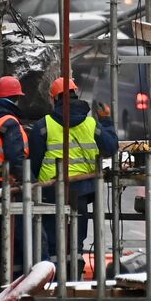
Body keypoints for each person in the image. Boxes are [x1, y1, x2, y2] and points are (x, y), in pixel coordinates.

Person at [29, 76, 118, 275]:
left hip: (51, 190)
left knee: (53, 237)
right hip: (82, 190)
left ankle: (54, 279)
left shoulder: (43, 125)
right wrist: (106, 120)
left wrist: (34, 186)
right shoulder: (90, 124)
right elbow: (111, 147)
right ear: (75, 94)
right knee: (76, 237)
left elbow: (34, 162)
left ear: (54, 99)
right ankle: (73, 278)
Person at [0, 75, 30, 275]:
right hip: (11, 185)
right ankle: (23, 280)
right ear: (15, 98)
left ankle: (7, 278)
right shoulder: (8, 122)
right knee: (22, 236)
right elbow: (15, 157)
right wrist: (29, 181)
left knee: (6, 237)